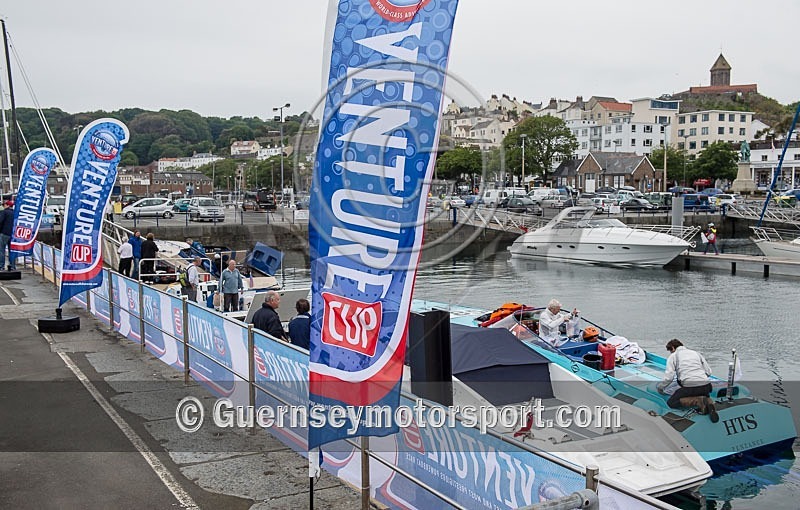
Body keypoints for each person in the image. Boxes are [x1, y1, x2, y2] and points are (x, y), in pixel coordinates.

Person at [657, 339, 719, 422]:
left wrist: (660, 388)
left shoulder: (673, 356)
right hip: (707, 386)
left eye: (670, 351)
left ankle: (698, 401)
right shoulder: (696, 353)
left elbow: (669, 377)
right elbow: (708, 372)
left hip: (691, 388)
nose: (671, 353)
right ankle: (708, 401)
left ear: (673, 348)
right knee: (700, 391)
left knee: (671, 402)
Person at [0, 200, 16, 271]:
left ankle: (1, 266)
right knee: (11, 251)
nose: (3, 206)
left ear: (7, 205)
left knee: (1, 250)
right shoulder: (15, 213)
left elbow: (0, 222)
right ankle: (12, 266)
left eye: (4, 205)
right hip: (13, 234)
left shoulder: (4, 212)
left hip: (4, 233)